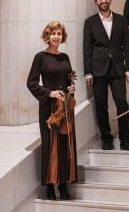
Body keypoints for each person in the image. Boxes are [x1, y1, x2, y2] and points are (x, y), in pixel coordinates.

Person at [27, 21, 77, 201]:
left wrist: (71, 89)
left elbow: (70, 80)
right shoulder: (40, 57)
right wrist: (49, 93)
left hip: (65, 106)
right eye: (53, 33)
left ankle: (63, 185)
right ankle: (49, 187)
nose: (56, 36)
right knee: (50, 145)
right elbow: (31, 83)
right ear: (47, 36)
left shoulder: (65, 57)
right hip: (49, 107)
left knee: (65, 144)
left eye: (59, 33)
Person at [83, 0, 129, 151]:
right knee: (101, 105)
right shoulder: (90, 22)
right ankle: (106, 138)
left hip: (118, 69)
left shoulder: (121, 20)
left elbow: (126, 45)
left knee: (122, 103)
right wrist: (88, 72)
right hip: (98, 70)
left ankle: (125, 139)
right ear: (96, 1)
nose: (103, 0)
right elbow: (87, 49)